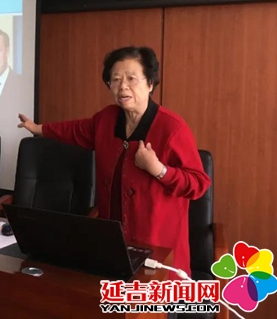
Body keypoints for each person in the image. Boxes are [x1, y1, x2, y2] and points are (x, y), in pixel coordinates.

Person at [17, 46, 210, 279]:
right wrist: (38, 129)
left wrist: (158, 169)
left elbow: (198, 184)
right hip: (115, 247)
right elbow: (75, 130)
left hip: (160, 254)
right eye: (115, 79)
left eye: (131, 79)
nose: (123, 86)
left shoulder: (172, 128)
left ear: (150, 83)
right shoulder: (107, 119)